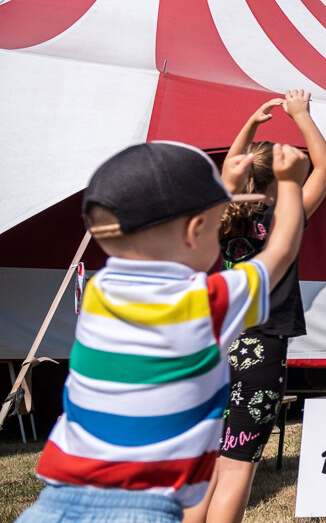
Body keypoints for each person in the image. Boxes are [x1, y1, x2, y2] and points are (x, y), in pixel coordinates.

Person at [17, 141, 307, 523]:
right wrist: (291, 183)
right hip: (145, 511)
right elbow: (281, 250)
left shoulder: (101, 292)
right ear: (196, 229)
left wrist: (222, 193)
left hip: (54, 503)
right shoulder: (211, 303)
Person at [189, 90, 326, 523]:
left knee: (204, 466)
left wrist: (251, 126)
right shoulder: (284, 218)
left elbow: (226, 178)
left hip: (211, 346)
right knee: (236, 470)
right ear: (278, 181)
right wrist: (302, 115)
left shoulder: (221, 216)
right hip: (262, 347)